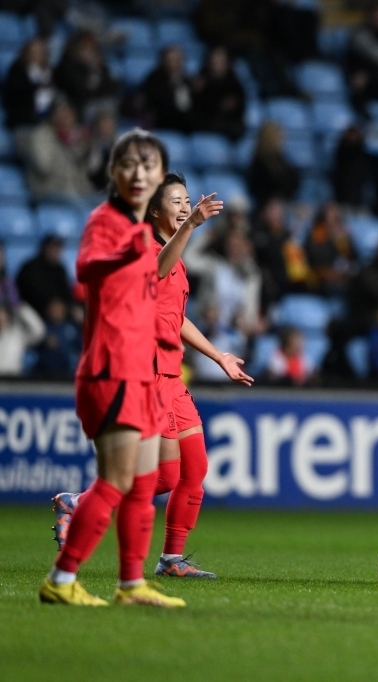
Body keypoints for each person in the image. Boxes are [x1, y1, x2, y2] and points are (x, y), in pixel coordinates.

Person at [51, 173, 247, 580]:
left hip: (172, 376)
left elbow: (174, 319)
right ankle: (80, 502)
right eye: (174, 201)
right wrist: (191, 225)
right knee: (165, 475)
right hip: (148, 373)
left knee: (192, 472)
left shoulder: (176, 258)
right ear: (154, 209)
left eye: (187, 200)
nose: (182, 206)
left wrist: (218, 356)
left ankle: (171, 560)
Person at [38, 129, 185, 607]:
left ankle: (131, 584)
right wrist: (129, 249)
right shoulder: (107, 221)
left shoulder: (145, 232)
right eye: (129, 163)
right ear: (114, 172)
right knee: (117, 481)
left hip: (140, 372)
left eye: (149, 165)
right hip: (111, 370)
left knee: (144, 484)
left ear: (160, 176)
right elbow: (86, 268)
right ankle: (60, 581)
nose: (139, 172)